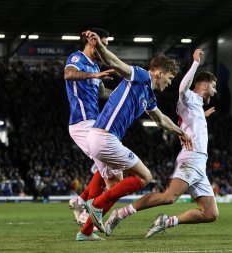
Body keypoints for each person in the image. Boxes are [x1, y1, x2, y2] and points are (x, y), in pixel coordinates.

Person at [76, 30, 192, 241]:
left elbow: (161, 119)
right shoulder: (139, 75)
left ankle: (85, 232)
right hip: (105, 137)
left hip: (100, 138)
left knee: (114, 183)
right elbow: (116, 62)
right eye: (170, 77)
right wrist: (100, 46)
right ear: (158, 72)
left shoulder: (148, 96)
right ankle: (95, 204)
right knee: (144, 176)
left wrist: (180, 132)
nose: (170, 82)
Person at [103, 49, 219, 239]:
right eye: (213, 87)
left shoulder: (196, 108)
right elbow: (182, 88)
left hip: (200, 163)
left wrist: (202, 118)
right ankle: (121, 213)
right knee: (168, 197)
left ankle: (167, 221)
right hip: (192, 158)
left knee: (210, 213)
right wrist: (196, 63)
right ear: (204, 85)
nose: (214, 91)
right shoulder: (189, 97)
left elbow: (191, 122)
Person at [64, 28, 119, 227]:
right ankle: (88, 218)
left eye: (106, 44)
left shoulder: (95, 67)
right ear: (91, 42)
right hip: (82, 123)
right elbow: (68, 74)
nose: (103, 47)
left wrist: (126, 93)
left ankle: (79, 203)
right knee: (113, 174)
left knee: (108, 171)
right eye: (101, 43)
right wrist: (93, 75)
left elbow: (104, 93)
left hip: (94, 124)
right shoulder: (77, 58)